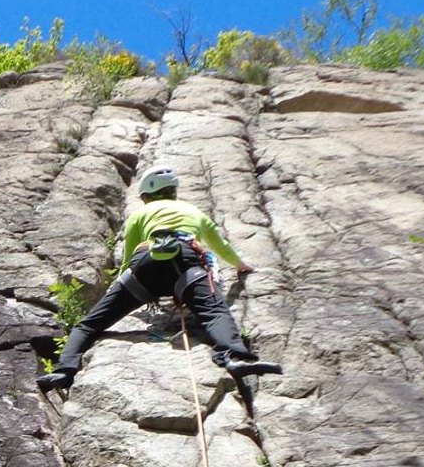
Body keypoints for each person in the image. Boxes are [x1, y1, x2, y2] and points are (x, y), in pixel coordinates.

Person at [37, 167, 281, 392]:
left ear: (147, 196)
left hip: (146, 265)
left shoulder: (140, 214)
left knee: (88, 325)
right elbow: (221, 246)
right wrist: (241, 266)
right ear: (173, 193)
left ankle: (64, 371)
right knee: (215, 312)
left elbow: (128, 259)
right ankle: (233, 356)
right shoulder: (193, 211)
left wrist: (116, 292)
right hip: (186, 261)